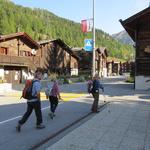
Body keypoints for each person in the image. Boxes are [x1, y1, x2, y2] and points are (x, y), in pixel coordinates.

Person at [16, 68, 45, 132]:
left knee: (28, 113)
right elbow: (37, 93)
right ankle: (39, 124)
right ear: (39, 75)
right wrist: (39, 100)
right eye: (41, 75)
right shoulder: (37, 82)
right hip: (35, 100)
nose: (42, 76)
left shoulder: (32, 81)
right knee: (38, 113)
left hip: (29, 100)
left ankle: (20, 123)